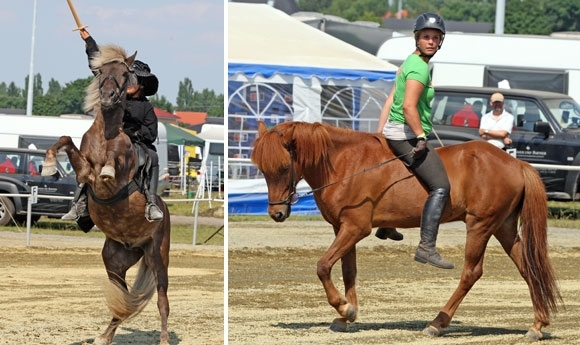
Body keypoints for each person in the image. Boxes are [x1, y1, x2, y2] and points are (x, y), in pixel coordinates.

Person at [62, 28, 164, 222]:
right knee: (89, 160)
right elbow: (99, 68)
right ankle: (80, 202)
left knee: (152, 156)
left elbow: (151, 133)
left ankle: (151, 202)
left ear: (141, 84)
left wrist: (133, 134)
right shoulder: (115, 97)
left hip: (134, 144)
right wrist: (89, 41)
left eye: (134, 79)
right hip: (107, 140)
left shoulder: (147, 108)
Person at [378, 12, 453, 269]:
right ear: (417, 38)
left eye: (435, 37)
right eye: (426, 37)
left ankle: (386, 225)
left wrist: (380, 133)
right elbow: (409, 107)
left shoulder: (408, 62)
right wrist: (421, 136)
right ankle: (426, 248)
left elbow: (391, 99)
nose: (431, 41)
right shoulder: (419, 68)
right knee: (441, 185)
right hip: (406, 134)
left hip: (394, 131)